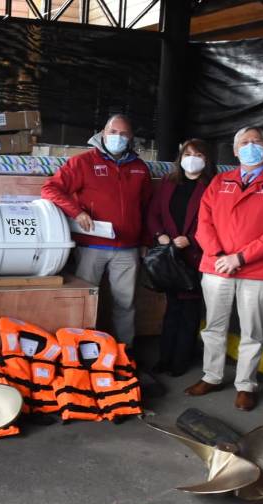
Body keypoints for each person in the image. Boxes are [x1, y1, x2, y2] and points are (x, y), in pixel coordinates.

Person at [185, 126, 263, 411]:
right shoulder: (221, 181)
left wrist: (240, 258)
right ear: (235, 151)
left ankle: (246, 385)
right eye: (244, 143)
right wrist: (220, 254)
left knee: (252, 330)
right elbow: (203, 222)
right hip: (217, 265)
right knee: (214, 327)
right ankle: (211, 375)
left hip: (256, 269)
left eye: (256, 141)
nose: (250, 146)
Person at [41, 115, 152, 351]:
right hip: (91, 246)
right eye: (113, 132)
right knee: (86, 301)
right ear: (103, 132)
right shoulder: (83, 162)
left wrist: (144, 241)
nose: (118, 138)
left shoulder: (140, 168)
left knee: (126, 303)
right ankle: (82, 350)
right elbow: (50, 188)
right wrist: (76, 212)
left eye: (123, 134)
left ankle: (124, 353)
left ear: (131, 138)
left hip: (127, 249)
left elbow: (147, 208)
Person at [145, 139, 215, 377]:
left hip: (195, 255)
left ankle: (181, 361)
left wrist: (193, 240)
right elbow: (154, 213)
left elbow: (216, 221)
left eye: (198, 154)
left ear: (206, 160)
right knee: (172, 307)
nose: (192, 158)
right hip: (170, 256)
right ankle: (165, 357)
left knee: (190, 310)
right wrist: (160, 235)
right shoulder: (168, 182)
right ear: (180, 157)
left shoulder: (211, 186)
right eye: (187, 153)